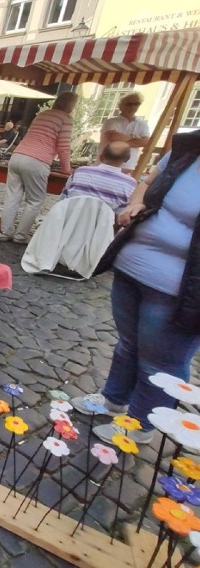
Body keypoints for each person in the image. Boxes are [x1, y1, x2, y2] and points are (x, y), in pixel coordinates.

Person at [72, 130, 200, 445]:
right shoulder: (189, 147)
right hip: (133, 267)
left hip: (180, 289)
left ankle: (140, 425)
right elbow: (146, 180)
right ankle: (113, 400)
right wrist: (137, 201)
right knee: (128, 343)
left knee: (161, 361)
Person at [0, 92, 77, 244]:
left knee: (12, 197)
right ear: (70, 106)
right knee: (34, 200)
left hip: (18, 155)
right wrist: (66, 169)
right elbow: (64, 147)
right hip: (37, 161)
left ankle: (4, 232)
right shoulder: (66, 119)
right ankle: (20, 236)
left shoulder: (42, 114)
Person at [60, 141, 137, 213]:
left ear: (101, 156)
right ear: (127, 160)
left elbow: (64, 197)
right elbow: (120, 212)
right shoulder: (130, 183)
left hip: (69, 218)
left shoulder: (81, 171)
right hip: (101, 226)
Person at [99, 92, 150, 175]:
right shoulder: (111, 122)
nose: (133, 107)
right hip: (106, 167)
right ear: (120, 106)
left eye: (137, 104)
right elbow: (113, 137)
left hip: (127, 169)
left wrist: (119, 142)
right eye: (129, 104)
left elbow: (147, 142)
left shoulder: (142, 124)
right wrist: (135, 137)